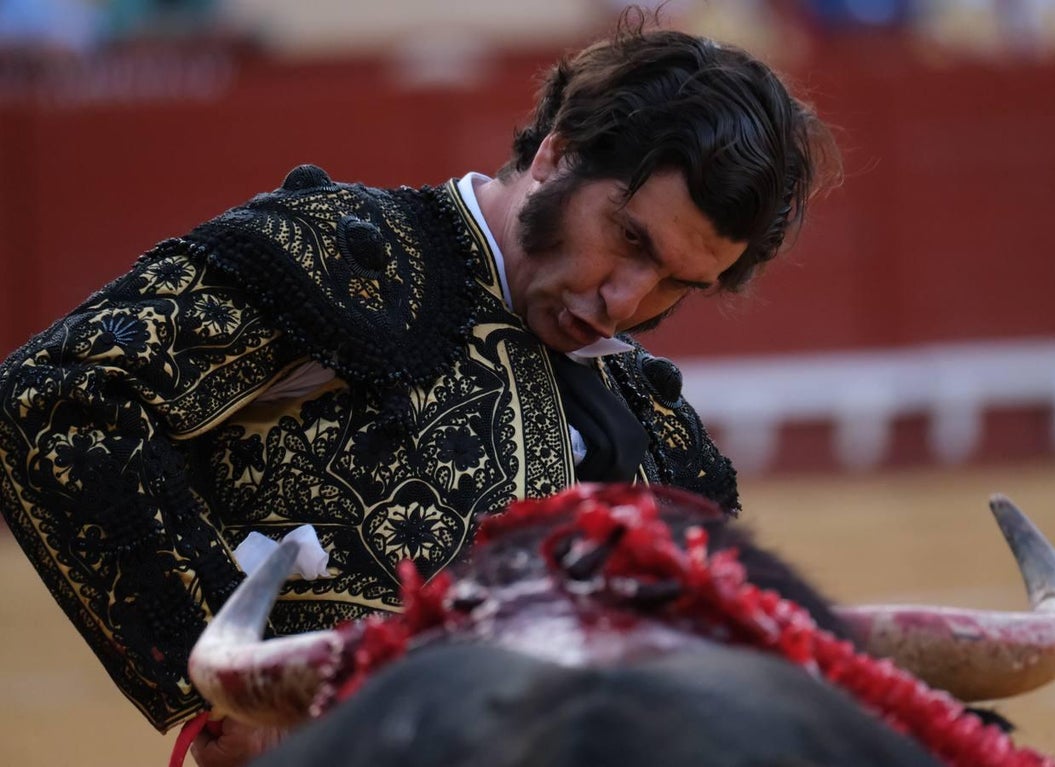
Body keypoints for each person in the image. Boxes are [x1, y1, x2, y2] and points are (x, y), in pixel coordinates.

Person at [0, 11, 833, 753]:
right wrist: (233, 688)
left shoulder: (660, 435)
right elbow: (56, 396)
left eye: (677, 284)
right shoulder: (344, 258)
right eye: (630, 239)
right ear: (556, 156)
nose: (627, 301)